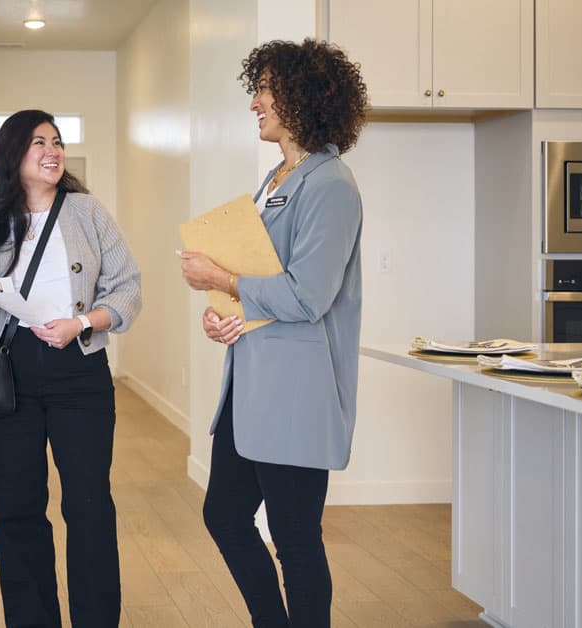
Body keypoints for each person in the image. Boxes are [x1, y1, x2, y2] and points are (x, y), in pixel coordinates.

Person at [178, 39, 368, 628]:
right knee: (226, 516)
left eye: (264, 89)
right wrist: (224, 313)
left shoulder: (331, 183)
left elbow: (309, 295)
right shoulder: (277, 179)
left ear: (303, 97)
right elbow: (264, 278)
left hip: (296, 393)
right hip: (251, 386)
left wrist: (222, 279)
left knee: (294, 537)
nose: (254, 102)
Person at [0, 109, 141, 628]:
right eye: (38, 143)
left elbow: (128, 288)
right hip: (8, 371)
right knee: (16, 510)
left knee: (89, 507)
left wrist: (83, 323)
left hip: (79, 371)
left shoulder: (87, 211)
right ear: (12, 155)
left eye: (57, 142)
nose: (53, 151)